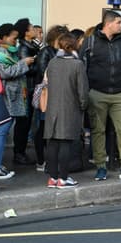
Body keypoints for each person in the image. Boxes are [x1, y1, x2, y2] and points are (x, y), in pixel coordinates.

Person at [79, 11, 121, 181]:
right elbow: (81, 68)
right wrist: (86, 92)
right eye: (118, 22)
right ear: (108, 24)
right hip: (97, 93)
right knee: (98, 131)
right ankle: (101, 167)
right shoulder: (90, 41)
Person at [0, 23, 34, 177]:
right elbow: (5, 73)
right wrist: (24, 63)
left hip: (10, 97)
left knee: (1, 131)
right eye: (14, 38)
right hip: (4, 97)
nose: (17, 40)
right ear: (5, 37)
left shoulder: (6, 50)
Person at [44, 33, 89, 189]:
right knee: (65, 143)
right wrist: (83, 105)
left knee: (53, 143)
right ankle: (63, 178)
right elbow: (82, 90)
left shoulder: (52, 62)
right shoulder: (78, 65)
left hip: (52, 107)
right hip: (70, 107)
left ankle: (52, 178)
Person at [34, 25, 69, 171]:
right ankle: (42, 160)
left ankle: (52, 160)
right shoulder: (46, 52)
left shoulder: (64, 52)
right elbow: (43, 73)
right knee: (44, 128)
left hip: (61, 95)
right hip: (48, 95)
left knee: (54, 129)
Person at [13, 18, 40, 165]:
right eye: (31, 28)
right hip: (27, 88)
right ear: (26, 33)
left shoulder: (32, 45)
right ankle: (19, 153)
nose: (34, 30)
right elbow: (26, 69)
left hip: (31, 87)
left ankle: (20, 152)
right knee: (23, 122)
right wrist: (39, 66)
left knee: (27, 122)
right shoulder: (24, 48)